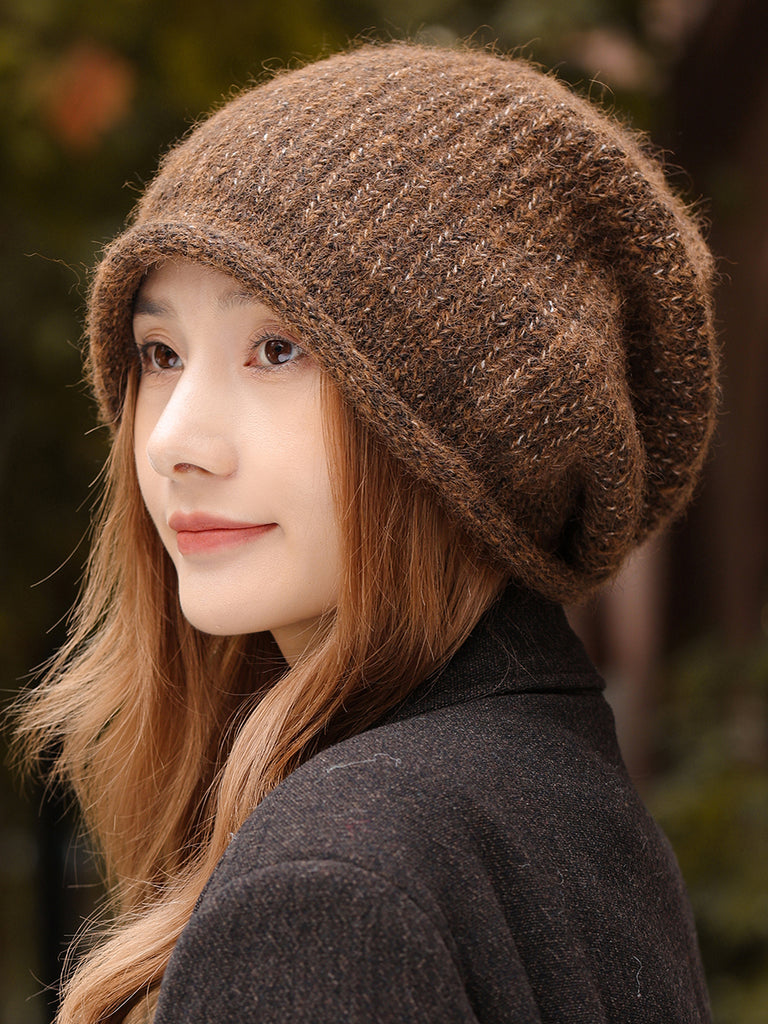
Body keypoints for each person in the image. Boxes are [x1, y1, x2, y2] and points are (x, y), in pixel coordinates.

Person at [17, 41, 718, 1024]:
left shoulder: (330, 890)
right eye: (160, 352)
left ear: (475, 425)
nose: (173, 441)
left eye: (278, 348)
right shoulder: (561, 795)